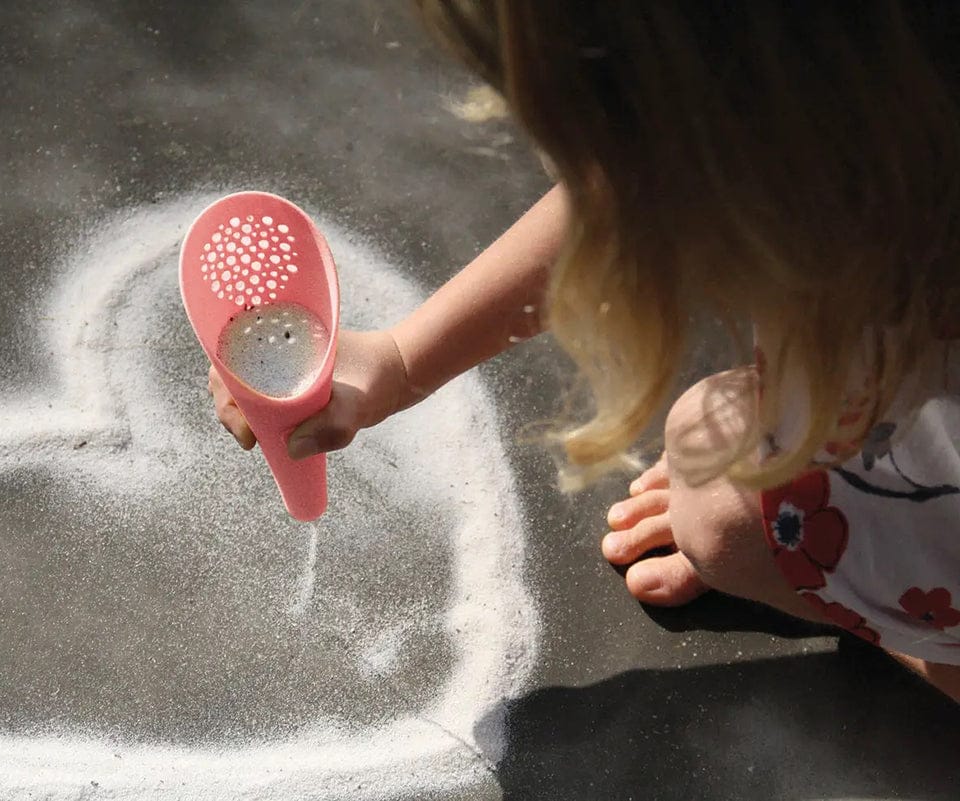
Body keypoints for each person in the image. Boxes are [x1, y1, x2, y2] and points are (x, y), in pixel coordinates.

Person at [208, 2, 960, 700]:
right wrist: (404, 360)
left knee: (717, 515)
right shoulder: (845, 126)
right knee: (713, 459)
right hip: (882, 415)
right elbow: (639, 179)